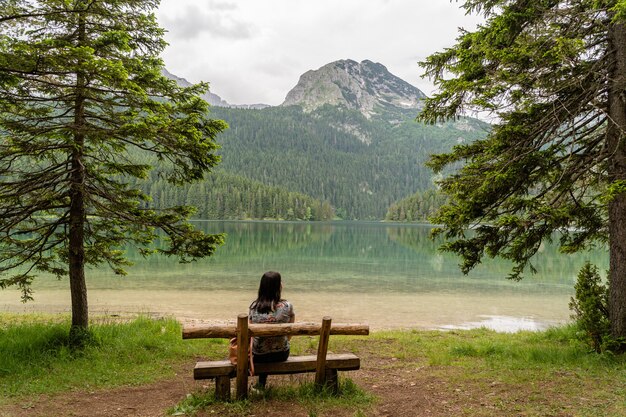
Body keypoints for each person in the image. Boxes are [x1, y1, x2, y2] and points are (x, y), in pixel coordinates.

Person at [249, 271, 295, 388]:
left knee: (262, 345)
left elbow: (250, 334)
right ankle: (260, 385)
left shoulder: (254, 307)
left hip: (259, 356)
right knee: (276, 343)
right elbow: (291, 330)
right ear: (278, 286)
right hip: (281, 353)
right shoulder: (287, 306)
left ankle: (261, 385)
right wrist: (286, 340)